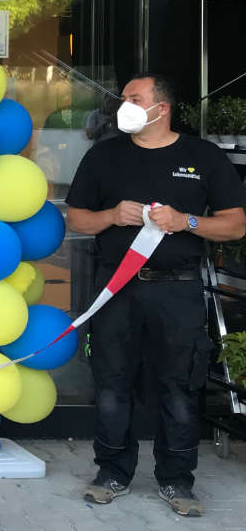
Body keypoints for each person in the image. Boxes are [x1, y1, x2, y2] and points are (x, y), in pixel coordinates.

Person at [66, 73, 246, 517]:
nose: (122, 104)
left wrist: (186, 221)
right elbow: (76, 220)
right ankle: (112, 472)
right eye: (123, 97)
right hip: (118, 290)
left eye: (133, 98)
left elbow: (236, 225)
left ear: (160, 108)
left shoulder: (202, 156)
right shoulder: (104, 156)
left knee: (180, 388)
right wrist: (110, 214)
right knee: (112, 385)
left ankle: (177, 481)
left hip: (178, 291)